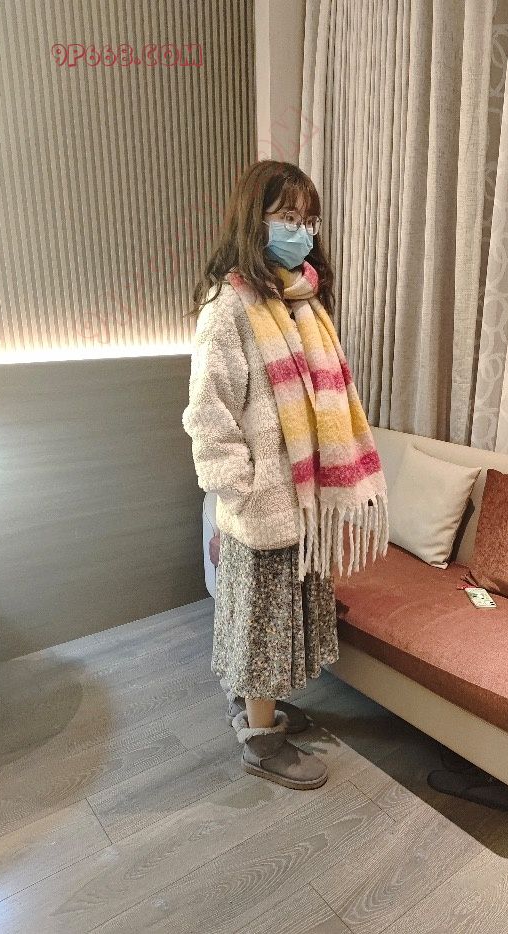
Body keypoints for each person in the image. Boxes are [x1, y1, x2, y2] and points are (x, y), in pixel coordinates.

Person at [182, 159, 389, 790]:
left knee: (283, 616)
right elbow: (208, 412)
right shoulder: (228, 306)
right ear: (256, 219)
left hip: (305, 499)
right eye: (287, 217)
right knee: (261, 622)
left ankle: (258, 705)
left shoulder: (302, 301)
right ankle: (260, 738)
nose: (300, 231)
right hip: (262, 503)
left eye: (308, 219)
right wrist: (242, 489)